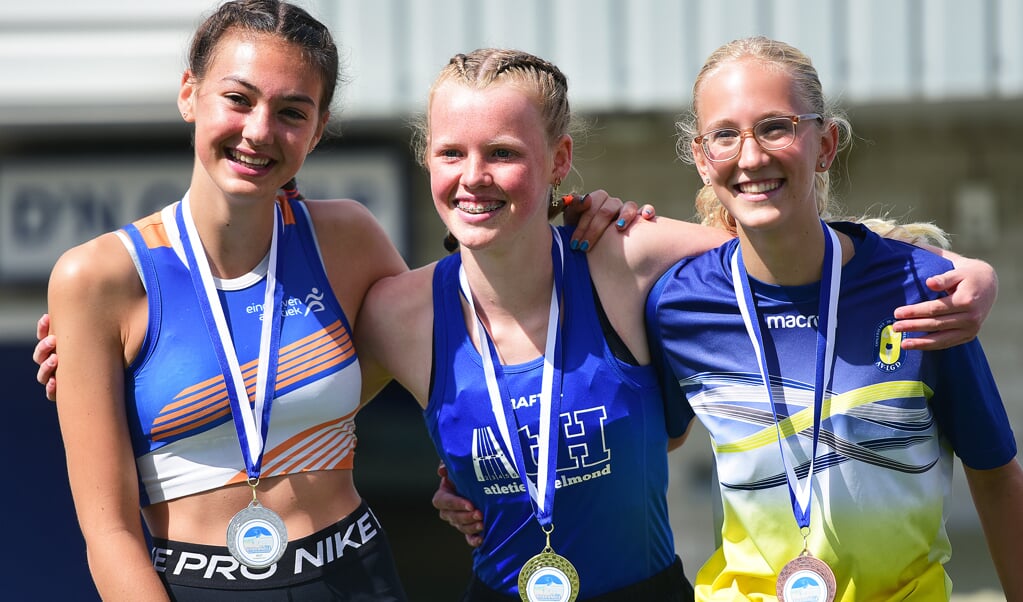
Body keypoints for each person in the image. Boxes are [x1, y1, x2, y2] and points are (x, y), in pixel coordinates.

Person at [37, 41, 1000, 600]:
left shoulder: (623, 258)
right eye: (452, 152)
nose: (475, 177)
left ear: (560, 158)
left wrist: (965, 273)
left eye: (503, 152)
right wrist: (86, 359)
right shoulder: (398, 310)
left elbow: (785, 238)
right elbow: (289, 382)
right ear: (426, 165)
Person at [642, 36, 1023, 599]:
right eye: (726, 135)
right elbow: (646, 441)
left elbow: (994, 473)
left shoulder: (921, 292)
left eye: (776, 126)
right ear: (702, 158)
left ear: (825, 144)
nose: (751, 156)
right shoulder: (679, 306)